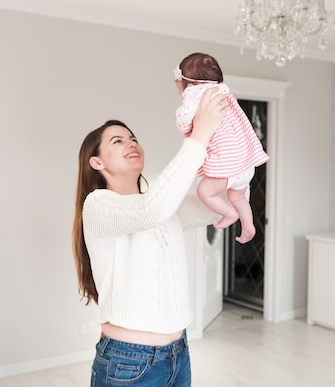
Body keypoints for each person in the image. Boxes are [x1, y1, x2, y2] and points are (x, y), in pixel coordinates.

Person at [71, 88, 230, 387]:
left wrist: (233, 155)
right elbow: (150, 210)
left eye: (133, 139)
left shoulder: (158, 204)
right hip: (128, 362)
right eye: (118, 141)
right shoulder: (97, 205)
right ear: (97, 163)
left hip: (178, 354)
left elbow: (220, 203)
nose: (132, 144)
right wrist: (200, 136)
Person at [173, 52, 269, 244]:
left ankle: (230, 214)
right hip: (245, 164)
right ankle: (248, 226)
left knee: (204, 191)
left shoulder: (195, 93)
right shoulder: (222, 90)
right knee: (239, 197)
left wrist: (183, 96)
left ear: (189, 84)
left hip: (228, 166)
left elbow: (184, 119)